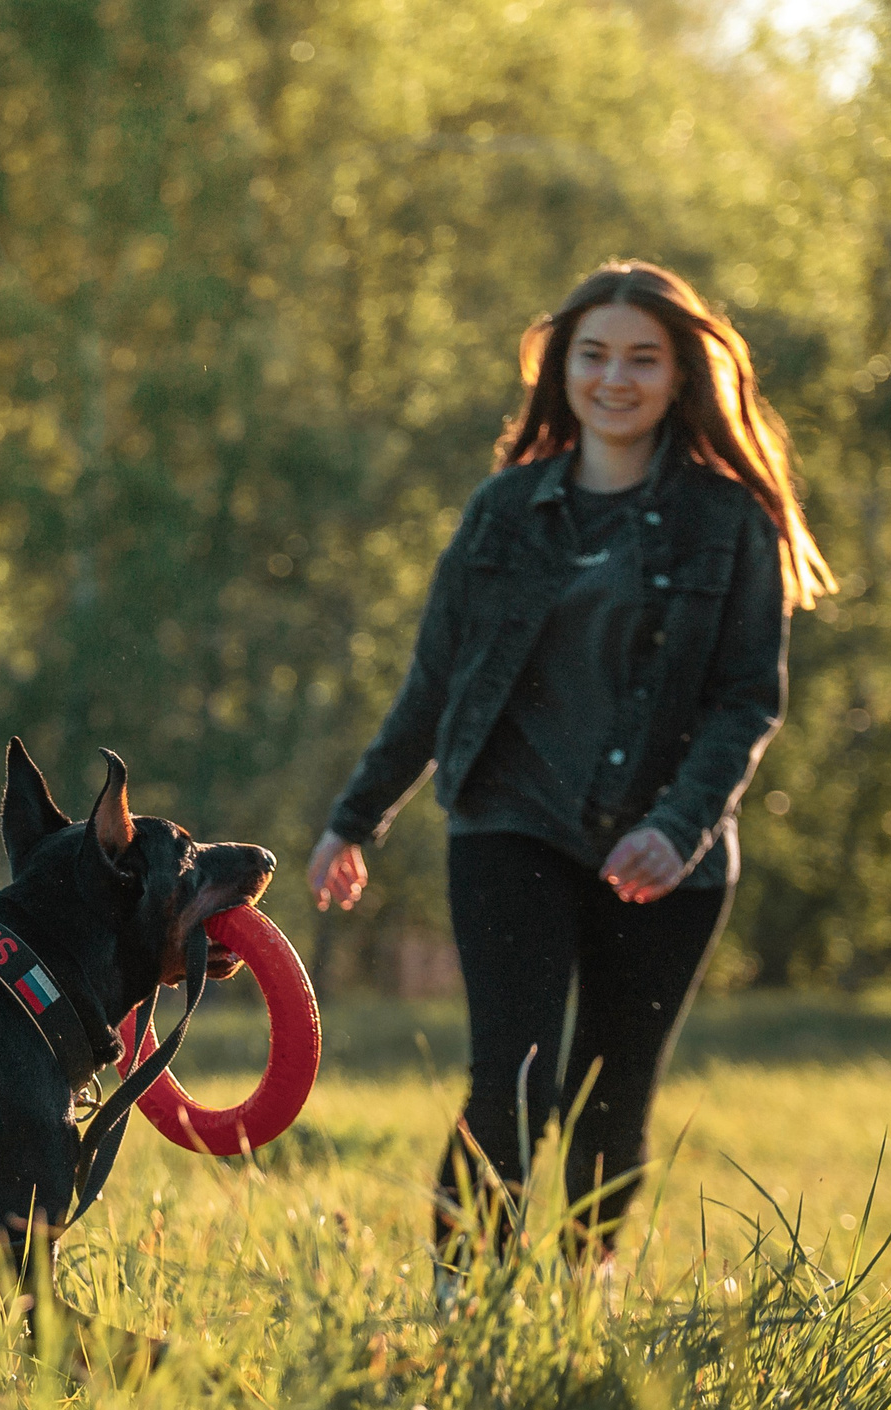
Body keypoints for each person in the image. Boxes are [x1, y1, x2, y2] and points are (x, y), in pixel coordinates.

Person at [306, 260, 832, 1268]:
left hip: (665, 858)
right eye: (592, 355)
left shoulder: (730, 521)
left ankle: (576, 1294)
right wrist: (356, 816)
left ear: (682, 375)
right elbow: (432, 684)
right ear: (560, 368)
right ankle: (466, 1300)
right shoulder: (502, 510)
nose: (614, 378)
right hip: (511, 825)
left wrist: (675, 827)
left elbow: (744, 704)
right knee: (511, 1074)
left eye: (643, 358)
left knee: (610, 1090)